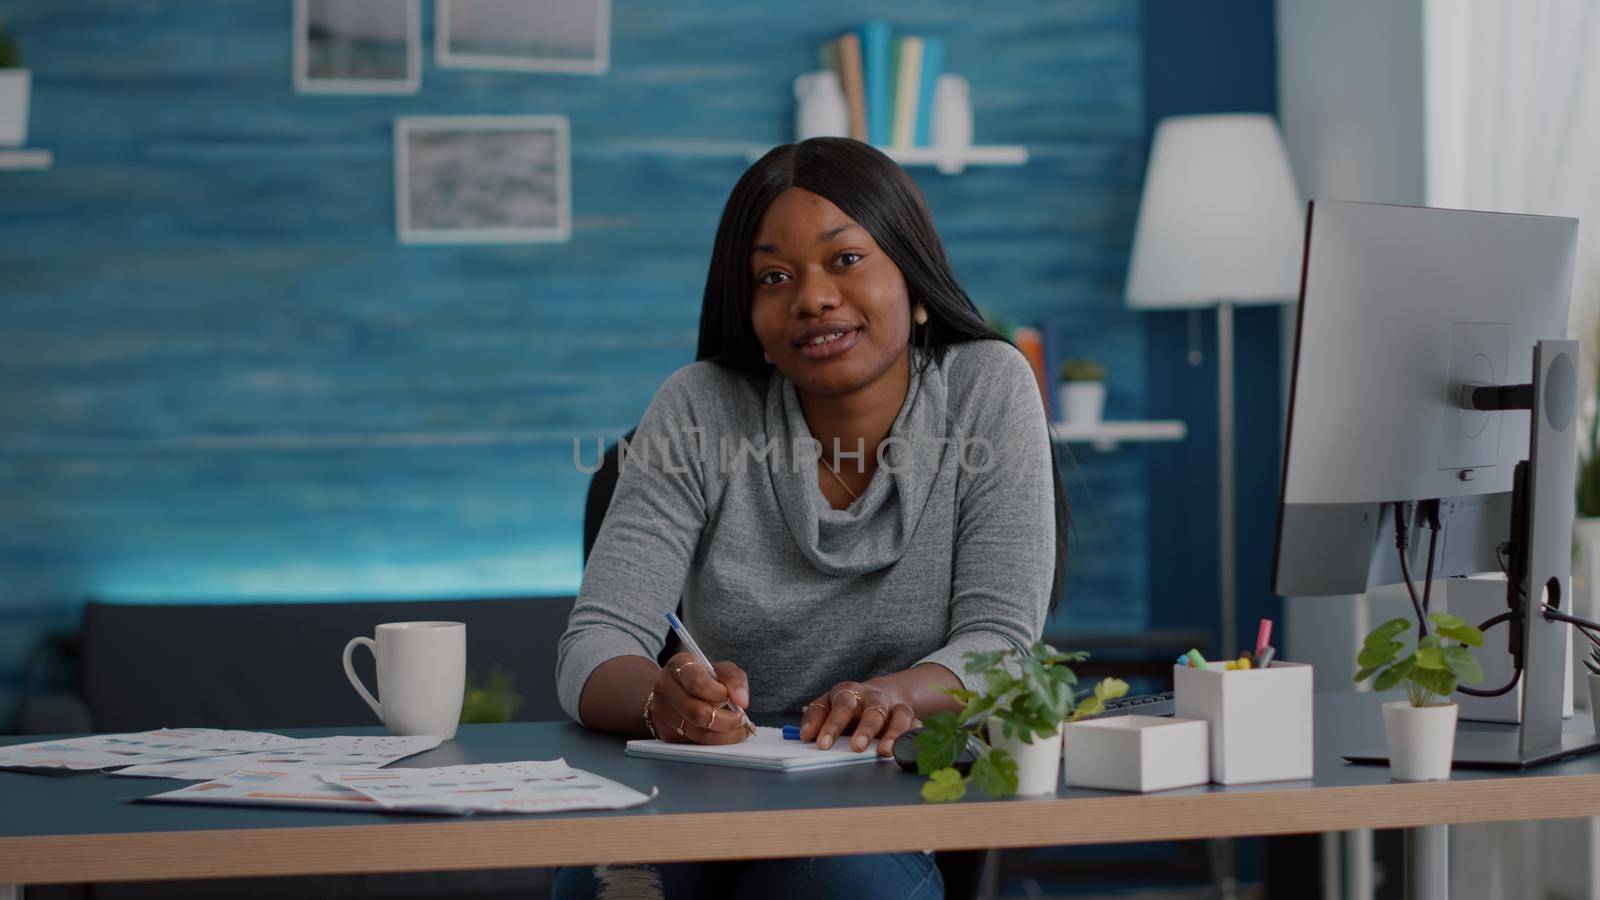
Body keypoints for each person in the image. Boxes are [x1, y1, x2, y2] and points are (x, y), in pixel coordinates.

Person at [552, 136, 1070, 900]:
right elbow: (592, 646)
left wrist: (900, 694)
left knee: (840, 880)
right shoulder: (699, 406)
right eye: (774, 276)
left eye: (847, 260)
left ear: (916, 282)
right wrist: (662, 700)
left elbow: (1002, 646)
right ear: (750, 313)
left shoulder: (986, 389)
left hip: (890, 795)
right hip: (707, 794)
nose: (814, 297)